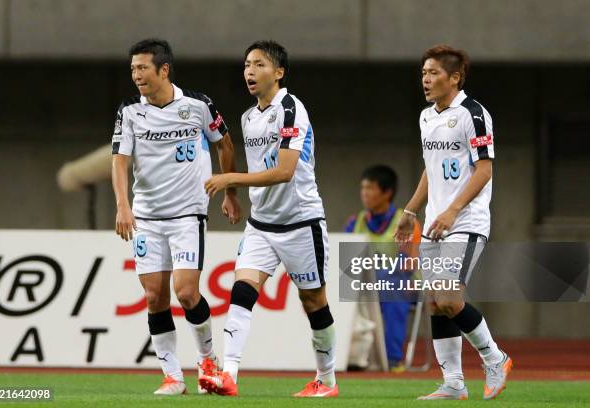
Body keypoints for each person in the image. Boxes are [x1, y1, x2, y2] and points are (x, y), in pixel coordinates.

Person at [198, 40, 338, 398]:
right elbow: (260, 169)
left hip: (301, 223)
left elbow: (285, 171)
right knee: (242, 290)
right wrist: (232, 195)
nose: (249, 71)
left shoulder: (292, 109)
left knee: (314, 302)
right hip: (261, 225)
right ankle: (228, 375)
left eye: (259, 64)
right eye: (246, 64)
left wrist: (232, 179)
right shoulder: (248, 117)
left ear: (278, 72)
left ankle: (326, 380)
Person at [111, 38, 242, 395]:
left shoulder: (198, 105)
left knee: (186, 293)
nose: (136, 75)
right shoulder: (130, 112)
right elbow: (119, 161)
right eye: (133, 69)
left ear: (163, 69)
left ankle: (207, 362)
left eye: (143, 68)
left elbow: (225, 144)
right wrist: (123, 204)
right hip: (147, 219)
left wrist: (229, 192)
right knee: (154, 297)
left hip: (187, 215)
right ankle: (172, 376)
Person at [394, 45, 512, 400]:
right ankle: (453, 384)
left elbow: (485, 170)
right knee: (436, 301)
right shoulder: (426, 117)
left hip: (466, 221)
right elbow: (431, 170)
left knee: (447, 296)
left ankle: (495, 357)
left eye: (433, 73)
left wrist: (453, 211)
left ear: (455, 77)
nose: (426, 80)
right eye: (423, 74)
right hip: (434, 224)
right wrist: (411, 211)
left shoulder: (473, 114)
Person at [345, 165, 421, 371]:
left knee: (392, 282)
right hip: (362, 287)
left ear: (387, 193)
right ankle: (346, 354)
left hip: (401, 286)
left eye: (370, 188)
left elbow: (410, 263)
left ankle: (392, 359)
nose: (364, 193)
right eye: (363, 188)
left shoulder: (405, 223)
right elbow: (345, 261)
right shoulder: (355, 222)